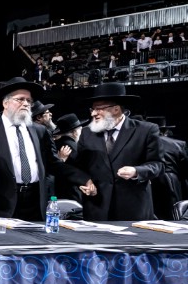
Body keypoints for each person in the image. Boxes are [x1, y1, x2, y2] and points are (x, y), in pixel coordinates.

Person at [0, 77, 88, 221]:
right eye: (20, 99)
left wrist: (83, 179)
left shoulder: (40, 131)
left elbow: (54, 164)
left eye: (29, 101)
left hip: (36, 203)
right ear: (5, 103)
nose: (25, 104)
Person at [69, 82, 162, 221]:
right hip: (97, 208)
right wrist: (84, 182)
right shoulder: (87, 133)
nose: (93, 113)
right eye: (92, 109)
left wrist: (136, 171)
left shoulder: (146, 130)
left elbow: (158, 165)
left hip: (133, 209)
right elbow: (79, 167)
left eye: (99, 109)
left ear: (116, 109)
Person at [143, 116, 186, 220]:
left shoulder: (142, 142)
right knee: (172, 210)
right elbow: (184, 167)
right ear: (165, 131)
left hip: (150, 178)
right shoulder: (178, 144)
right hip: (170, 180)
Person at [52, 113, 90, 201]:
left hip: (60, 191)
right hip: (73, 191)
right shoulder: (73, 147)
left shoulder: (56, 144)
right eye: (80, 130)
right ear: (74, 132)